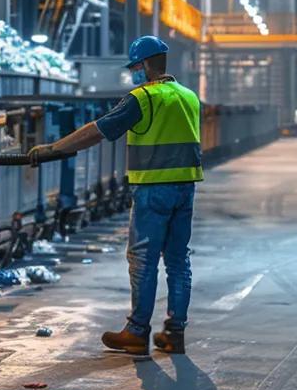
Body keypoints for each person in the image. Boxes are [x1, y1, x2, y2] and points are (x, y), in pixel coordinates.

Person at [28, 35, 199, 354]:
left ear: (146, 65)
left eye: (135, 67)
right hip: (185, 189)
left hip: (152, 190)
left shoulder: (143, 98)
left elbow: (98, 130)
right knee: (177, 261)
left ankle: (136, 332)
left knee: (143, 261)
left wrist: (55, 149)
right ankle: (175, 333)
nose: (134, 73)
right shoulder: (188, 97)